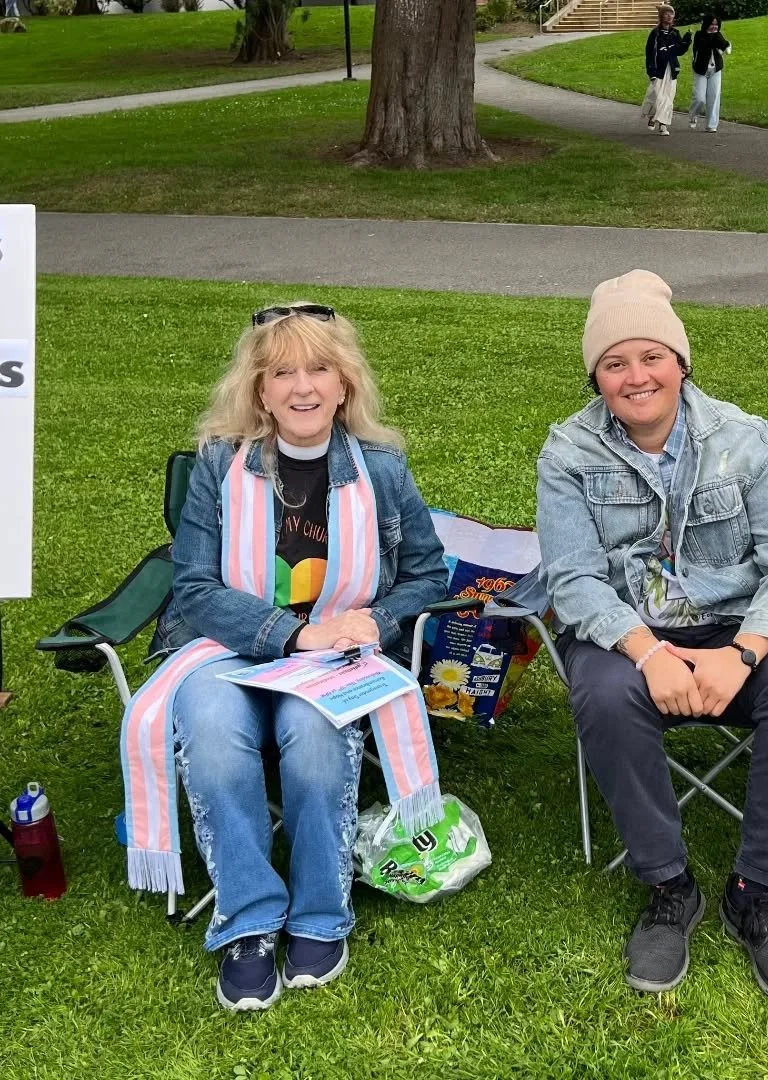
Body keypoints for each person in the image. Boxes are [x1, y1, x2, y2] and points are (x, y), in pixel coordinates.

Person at [121, 303, 448, 1012]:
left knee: (312, 737)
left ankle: (319, 915)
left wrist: (376, 620)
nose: (303, 387)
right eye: (282, 373)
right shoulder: (219, 463)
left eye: (319, 369)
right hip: (222, 646)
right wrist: (296, 635)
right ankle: (249, 920)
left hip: (336, 656)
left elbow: (427, 571)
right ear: (259, 391)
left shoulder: (382, 471)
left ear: (344, 385)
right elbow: (197, 588)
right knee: (211, 732)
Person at [536, 270, 768, 1006]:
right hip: (624, 633)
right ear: (596, 377)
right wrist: (646, 652)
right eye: (615, 363)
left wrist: (745, 653)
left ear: (681, 363)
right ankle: (669, 887)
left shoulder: (745, 441)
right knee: (606, 697)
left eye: (651, 357)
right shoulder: (568, 453)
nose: (636, 377)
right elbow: (573, 581)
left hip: (734, 631)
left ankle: (759, 894)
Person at [642, 4, 691, 136]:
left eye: (672, 14)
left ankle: (663, 125)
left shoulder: (675, 33)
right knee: (657, 96)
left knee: (668, 98)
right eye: (666, 13)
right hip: (659, 69)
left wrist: (686, 41)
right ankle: (653, 116)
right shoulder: (655, 34)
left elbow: (679, 51)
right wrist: (651, 71)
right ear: (661, 16)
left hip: (672, 69)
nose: (669, 16)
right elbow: (650, 53)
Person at [688, 14, 731, 133]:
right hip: (701, 70)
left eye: (716, 24)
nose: (714, 27)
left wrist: (725, 46)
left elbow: (725, 45)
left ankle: (711, 125)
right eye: (712, 24)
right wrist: (717, 41)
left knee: (714, 97)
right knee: (700, 98)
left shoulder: (718, 35)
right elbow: (704, 45)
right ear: (706, 24)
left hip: (715, 70)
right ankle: (693, 115)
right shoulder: (699, 35)